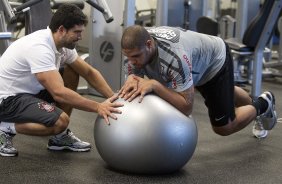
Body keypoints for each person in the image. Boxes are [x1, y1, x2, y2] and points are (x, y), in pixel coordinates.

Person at [0, 4, 123, 157]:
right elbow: (58, 93)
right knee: (60, 122)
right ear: (61, 30)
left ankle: (59, 137)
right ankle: (5, 128)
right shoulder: (40, 48)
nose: (80, 37)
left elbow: (89, 72)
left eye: (81, 32)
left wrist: (113, 98)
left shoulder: (64, 46)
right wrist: (98, 107)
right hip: (8, 100)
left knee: (73, 70)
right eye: (77, 32)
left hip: (29, 92)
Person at [119, 25, 277, 139]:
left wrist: (154, 85)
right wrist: (131, 80)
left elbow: (187, 107)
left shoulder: (174, 59)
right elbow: (133, 81)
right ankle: (226, 91)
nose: (132, 62)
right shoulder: (135, 49)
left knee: (224, 127)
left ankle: (263, 104)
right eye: (128, 57)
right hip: (195, 62)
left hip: (215, 61)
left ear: (149, 44)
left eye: (136, 57)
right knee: (219, 91)